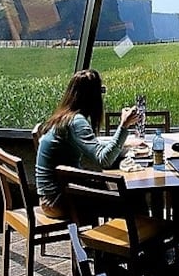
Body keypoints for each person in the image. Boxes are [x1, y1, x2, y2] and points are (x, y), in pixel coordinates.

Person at [35, 69, 140, 219]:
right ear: (93, 97)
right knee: (133, 200)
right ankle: (134, 239)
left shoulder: (64, 117)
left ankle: (124, 239)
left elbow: (96, 148)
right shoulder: (76, 121)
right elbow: (104, 160)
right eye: (101, 91)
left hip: (51, 196)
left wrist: (121, 143)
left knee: (115, 191)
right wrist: (124, 125)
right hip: (58, 202)